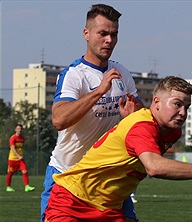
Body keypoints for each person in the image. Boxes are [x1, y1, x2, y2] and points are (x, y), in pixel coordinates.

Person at [44, 76, 192, 221]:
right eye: (177, 104)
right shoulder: (142, 127)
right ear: (156, 102)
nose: (183, 112)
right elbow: (154, 167)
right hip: (72, 202)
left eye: (186, 107)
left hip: (108, 208)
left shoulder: (171, 132)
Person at [40, 4, 143, 222]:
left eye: (114, 35)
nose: (109, 40)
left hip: (106, 180)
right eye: (103, 33)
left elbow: (141, 115)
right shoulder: (74, 75)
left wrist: (132, 116)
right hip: (67, 177)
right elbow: (59, 119)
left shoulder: (122, 72)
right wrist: (98, 92)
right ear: (86, 34)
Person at [6, 124, 35, 192]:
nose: (19, 130)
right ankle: (8, 187)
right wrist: (18, 156)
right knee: (10, 173)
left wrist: (20, 156)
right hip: (12, 159)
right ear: (15, 130)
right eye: (18, 129)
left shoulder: (22, 138)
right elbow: (12, 148)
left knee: (25, 171)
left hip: (20, 159)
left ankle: (27, 186)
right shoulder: (13, 138)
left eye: (20, 129)